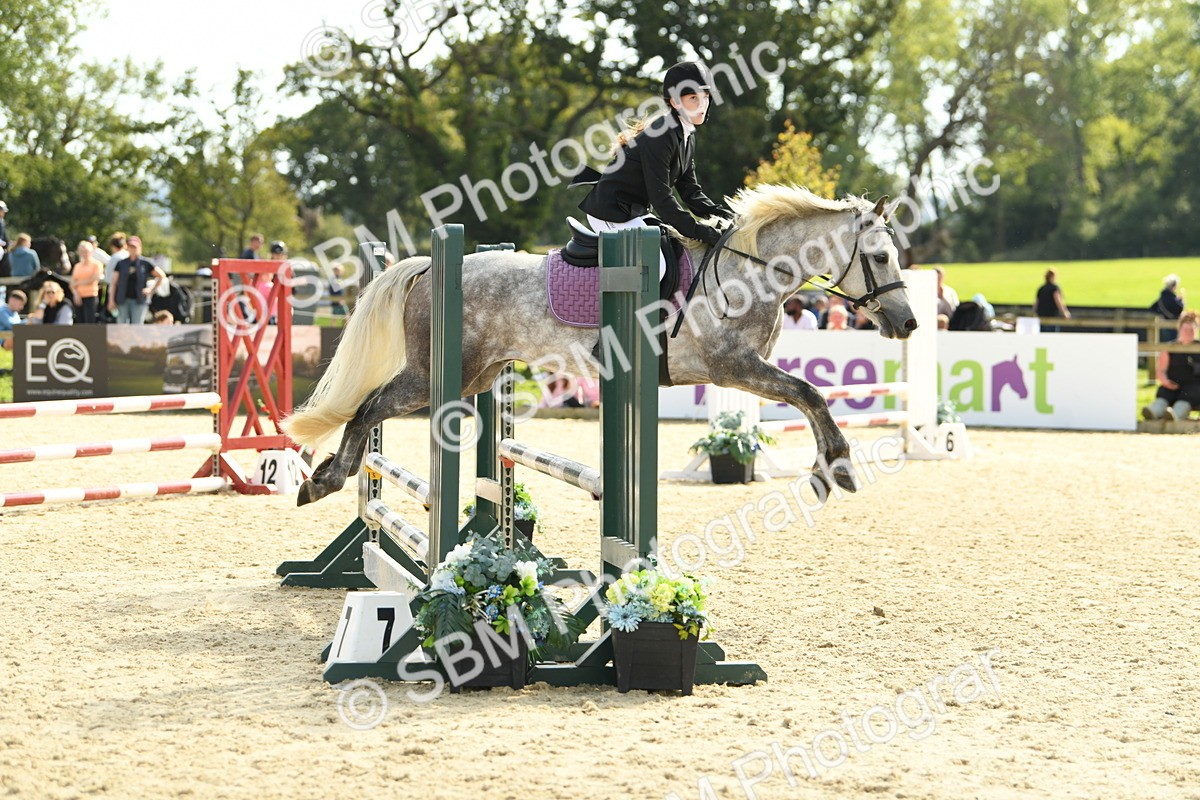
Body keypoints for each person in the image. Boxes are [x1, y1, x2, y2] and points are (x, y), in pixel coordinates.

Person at [574, 61, 732, 280]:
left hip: (633, 212)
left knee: (675, 251)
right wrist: (699, 231)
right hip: (610, 212)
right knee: (655, 266)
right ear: (675, 102)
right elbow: (662, 199)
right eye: (693, 98)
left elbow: (691, 192)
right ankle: (626, 315)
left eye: (705, 97)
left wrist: (728, 217)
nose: (702, 104)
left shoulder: (686, 135)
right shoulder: (662, 135)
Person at [1142, 309, 1200, 421]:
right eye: (1185, 330)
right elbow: (1161, 370)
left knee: (1187, 397)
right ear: (1180, 330)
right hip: (1172, 384)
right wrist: (1165, 381)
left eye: (1191, 330)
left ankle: (1174, 416)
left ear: (1196, 331)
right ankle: (1153, 412)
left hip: (1193, 387)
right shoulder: (1169, 348)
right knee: (1164, 395)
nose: (1188, 332)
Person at [108, 236, 165, 324]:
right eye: (130, 247)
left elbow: (161, 275)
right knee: (122, 325)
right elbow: (114, 282)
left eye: (134, 247)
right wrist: (111, 300)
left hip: (139, 300)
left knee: (137, 325)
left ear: (139, 248)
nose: (132, 249)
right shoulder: (121, 263)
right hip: (122, 300)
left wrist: (151, 290)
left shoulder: (145, 263)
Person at [71, 240, 104, 323]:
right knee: (80, 321)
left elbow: (93, 279)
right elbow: (72, 283)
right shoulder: (77, 266)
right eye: (82, 251)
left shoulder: (96, 264)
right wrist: (76, 294)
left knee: (89, 321)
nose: (84, 253)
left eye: (86, 251)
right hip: (78, 297)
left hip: (90, 296)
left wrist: (78, 283)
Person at [1152, 274, 1186, 343]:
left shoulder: (1163, 297)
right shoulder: (1171, 298)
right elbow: (1179, 309)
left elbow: (1153, 308)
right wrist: (1182, 301)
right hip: (1173, 326)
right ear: (1174, 286)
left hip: (1164, 324)